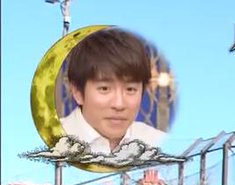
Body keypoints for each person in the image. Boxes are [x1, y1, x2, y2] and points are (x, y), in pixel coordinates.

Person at [59, 27, 166, 156]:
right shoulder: (54, 139)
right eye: (104, 89)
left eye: (130, 89)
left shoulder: (158, 143)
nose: (119, 104)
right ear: (78, 92)